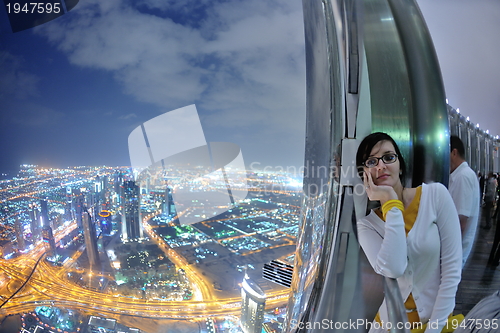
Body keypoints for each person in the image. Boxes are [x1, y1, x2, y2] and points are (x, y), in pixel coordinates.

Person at [356, 132, 462, 333]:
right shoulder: (367, 225)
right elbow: (394, 268)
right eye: (371, 161)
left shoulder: (435, 196)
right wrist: (390, 202)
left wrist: (434, 329)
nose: (381, 166)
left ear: (400, 165)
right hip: (388, 326)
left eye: (388, 157)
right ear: (365, 174)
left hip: (436, 322)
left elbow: (452, 271)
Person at [448, 135, 480, 267]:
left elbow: (461, 222)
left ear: (454, 152)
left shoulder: (463, 176)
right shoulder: (460, 175)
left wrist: (448, 253)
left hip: (453, 255)